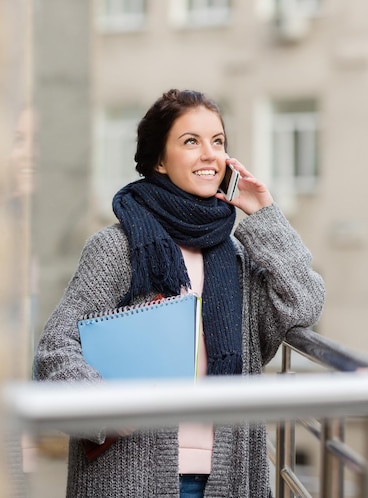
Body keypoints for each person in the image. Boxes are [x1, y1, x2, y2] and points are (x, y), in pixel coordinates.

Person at [34, 89, 326, 498]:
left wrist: (263, 212)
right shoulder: (120, 246)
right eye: (191, 141)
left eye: (218, 142)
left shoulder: (239, 255)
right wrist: (103, 407)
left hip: (225, 477)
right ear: (159, 159)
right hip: (131, 474)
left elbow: (304, 303)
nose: (209, 154)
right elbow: (54, 350)